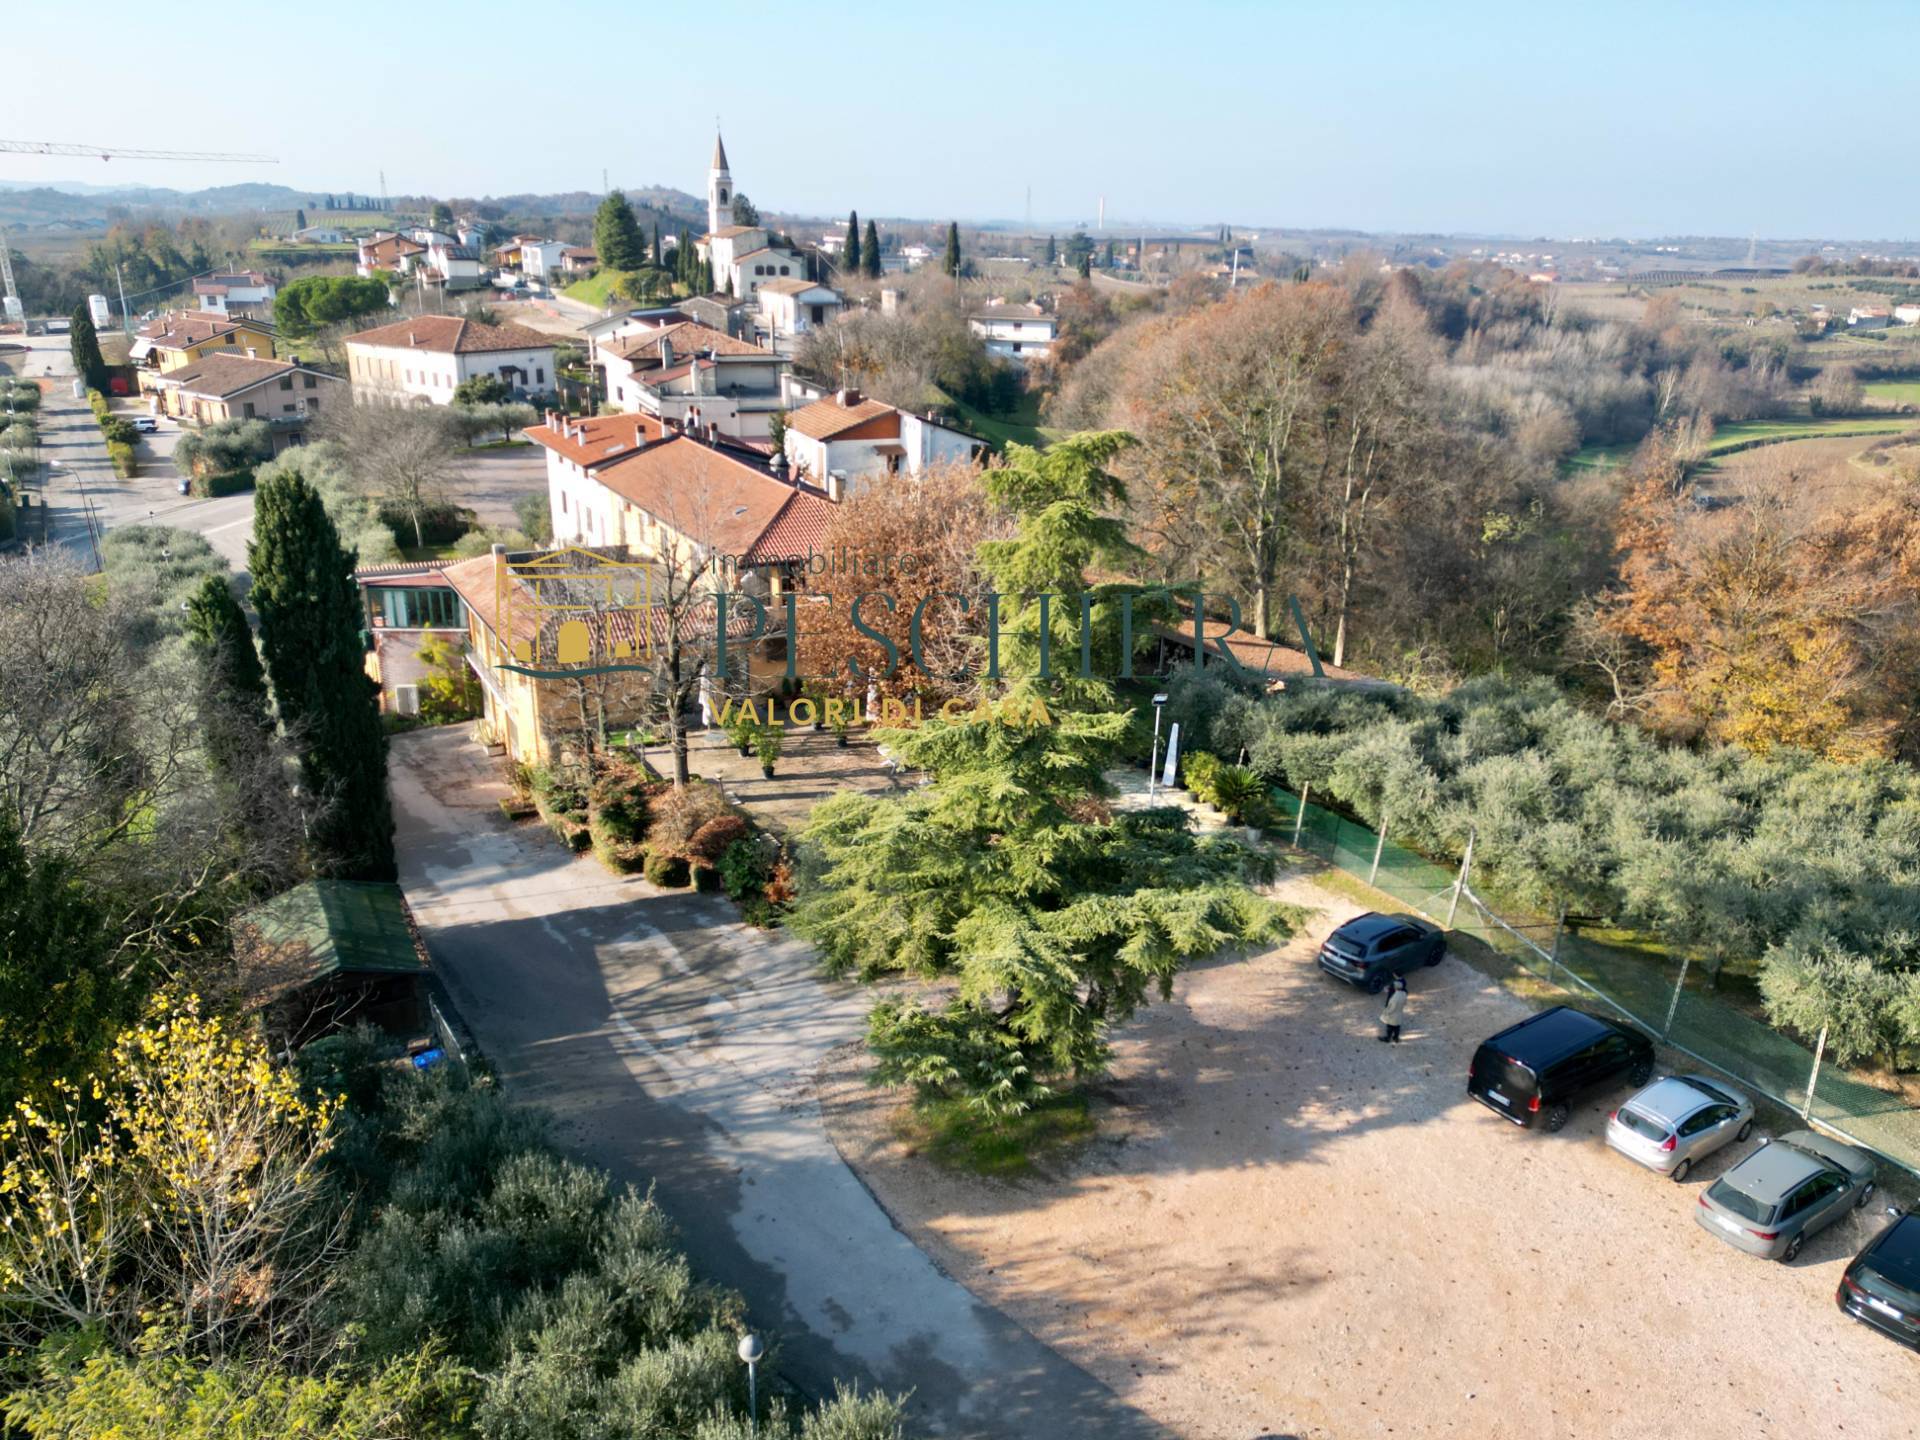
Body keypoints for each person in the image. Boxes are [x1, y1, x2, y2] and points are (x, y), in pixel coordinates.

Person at [1379, 975, 1409, 1044]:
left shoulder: (1395, 998)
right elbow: (1404, 1002)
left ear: (1396, 987)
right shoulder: (1404, 994)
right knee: (1397, 1026)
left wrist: (1386, 1012)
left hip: (1393, 1015)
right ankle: (1396, 1038)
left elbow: (1391, 1008)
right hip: (1399, 1013)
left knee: (1390, 1026)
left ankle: (1387, 1038)